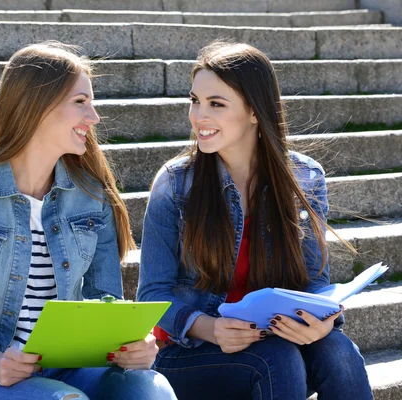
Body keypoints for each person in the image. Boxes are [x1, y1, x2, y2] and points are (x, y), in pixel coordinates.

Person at [0, 41, 176, 400]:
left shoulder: (91, 197)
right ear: (37, 106)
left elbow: (106, 301)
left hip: (75, 370)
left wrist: (134, 345)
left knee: (151, 388)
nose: (94, 117)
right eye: (81, 102)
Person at [137, 41, 373, 400]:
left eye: (216, 104)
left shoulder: (305, 177)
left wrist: (320, 322)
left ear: (253, 110)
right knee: (276, 359)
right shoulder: (174, 183)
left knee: (340, 353)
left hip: (273, 341)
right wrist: (211, 328)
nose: (199, 116)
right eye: (195, 100)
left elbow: (313, 281)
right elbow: (152, 295)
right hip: (188, 355)